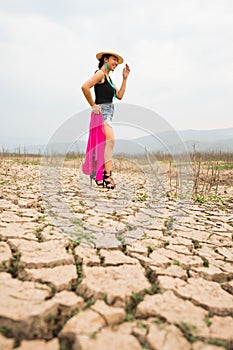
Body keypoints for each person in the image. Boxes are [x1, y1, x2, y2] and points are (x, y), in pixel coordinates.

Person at [81, 50, 130, 189]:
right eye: (114, 60)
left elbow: (119, 96)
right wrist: (93, 105)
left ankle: (99, 174)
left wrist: (125, 78)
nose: (116, 63)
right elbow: (85, 87)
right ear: (105, 60)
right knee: (110, 141)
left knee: (102, 145)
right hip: (102, 113)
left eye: (117, 61)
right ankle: (107, 175)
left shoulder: (108, 78)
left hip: (109, 113)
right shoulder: (100, 74)